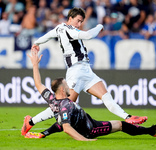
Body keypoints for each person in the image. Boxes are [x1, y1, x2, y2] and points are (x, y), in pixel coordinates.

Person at [21, 7, 148, 136]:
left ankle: (128, 117)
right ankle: (31, 122)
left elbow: (48, 36)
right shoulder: (69, 29)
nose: (79, 24)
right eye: (78, 20)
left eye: (81, 21)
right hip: (76, 71)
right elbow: (88, 35)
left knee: (105, 96)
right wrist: (99, 26)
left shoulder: (60, 28)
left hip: (86, 70)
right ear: (70, 18)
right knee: (64, 105)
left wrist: (37, 42)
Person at [24, 48, 156, 141]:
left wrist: (35, 64)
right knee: (120, 125)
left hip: (88, 121)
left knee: (62, 121)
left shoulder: (52, 99)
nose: (69, 86)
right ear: (62, 89)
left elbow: (38, 84)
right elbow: (66, 128)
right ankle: (152, 131)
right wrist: (86, 140)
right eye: (66, 85)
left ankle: (40, 132)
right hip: (90, 129)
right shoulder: (65, 105)